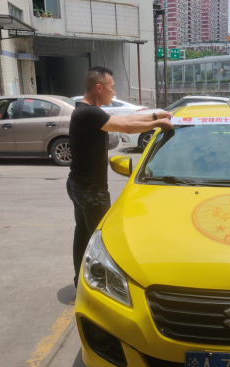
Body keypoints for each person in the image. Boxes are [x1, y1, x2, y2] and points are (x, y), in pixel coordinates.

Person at [67, 66, 173, 286]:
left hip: (79, 186)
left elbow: (128, 119)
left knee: (83, 236)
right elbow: (126, 126)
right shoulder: (90, 113)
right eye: (112, 87)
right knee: (104, 243)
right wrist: (158, 123)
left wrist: (156, 114)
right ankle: (102, 289)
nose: (114, 93)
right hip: (91, 191)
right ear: (99, 88)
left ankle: (80, 282)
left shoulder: (84, 111)